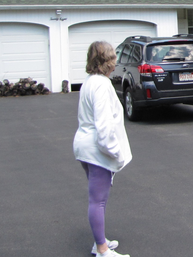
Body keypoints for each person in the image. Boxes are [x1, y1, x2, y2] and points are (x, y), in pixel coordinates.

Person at [74, 41, 133, 257]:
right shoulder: (101, 85)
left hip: (86, 146)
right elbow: (104, 124)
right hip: (96, 149)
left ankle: (100, 241)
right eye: (113, 57)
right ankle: (101, 249)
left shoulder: (90, 82)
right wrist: (115, 151)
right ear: (107, 61)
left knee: (99, 198)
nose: (116, 61)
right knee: (98, 200)